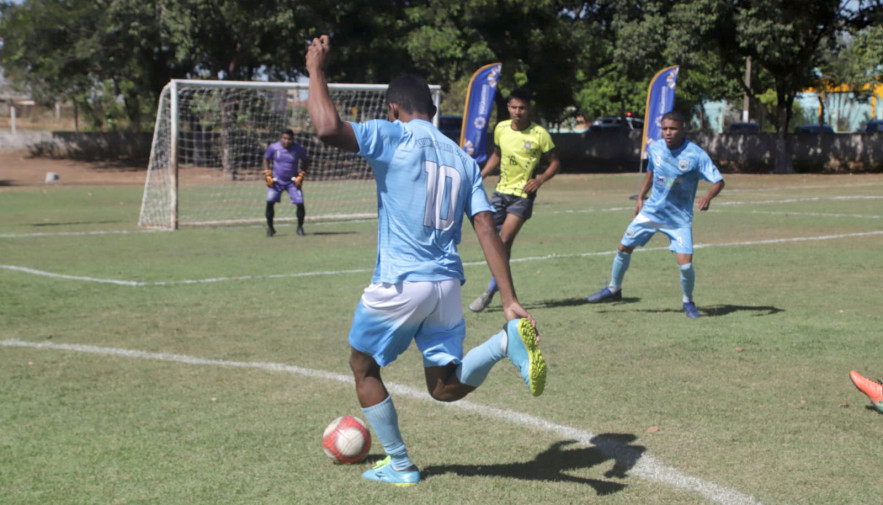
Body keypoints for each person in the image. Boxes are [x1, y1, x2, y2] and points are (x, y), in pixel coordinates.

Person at [305, 34, 547, 486]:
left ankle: (399, 464)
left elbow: (326, 128)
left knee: (363, 367)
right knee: (444, 387)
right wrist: (509, 298)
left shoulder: (392, 134)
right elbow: (485, 229)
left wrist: (316, 69)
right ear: (432, 110)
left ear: (394, 109)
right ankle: (503, 343)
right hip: (445, 287)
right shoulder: (464, 158)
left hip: (401, 282)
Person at [585, 110, 724, 319]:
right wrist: (641, 197)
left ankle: (688, 302)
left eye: (673, 129)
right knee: (624, 247)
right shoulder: (656, 148)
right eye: (665, 129)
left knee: (685, 265)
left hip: (678, 220)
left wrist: (707, 197)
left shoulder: (695, 155)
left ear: (683, 129)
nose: (668, 133)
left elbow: (719, 181)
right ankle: (614, 289)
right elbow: (651, 171)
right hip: (652, 212)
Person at [468, 89, 560, 313]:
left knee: (504, 240)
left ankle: (491, 291)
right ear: (508, 107)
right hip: (500, 192)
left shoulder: (540, 134)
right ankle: (499, 287)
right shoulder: (501, 128)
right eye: (514, 107)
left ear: (529, 109)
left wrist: (539, 180)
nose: (517, 112)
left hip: (523, 196)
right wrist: (480, 176)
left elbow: (555, 162)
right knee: (489, 237)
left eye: (522, 108)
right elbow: (497, 156)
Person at [262, 129, 310, 237]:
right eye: (284, 138)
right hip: (276, 181)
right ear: (280, 138)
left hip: (292, 182)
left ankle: (300, 228)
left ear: (293, 139)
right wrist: (267, 174)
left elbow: (306, 160)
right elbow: (266, 158)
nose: (287, 141)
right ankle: (270, 228)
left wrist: (301, 174)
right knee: (270, 202)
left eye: (289, 139)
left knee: (300, 203)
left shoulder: (298, 149)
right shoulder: (274, 147)